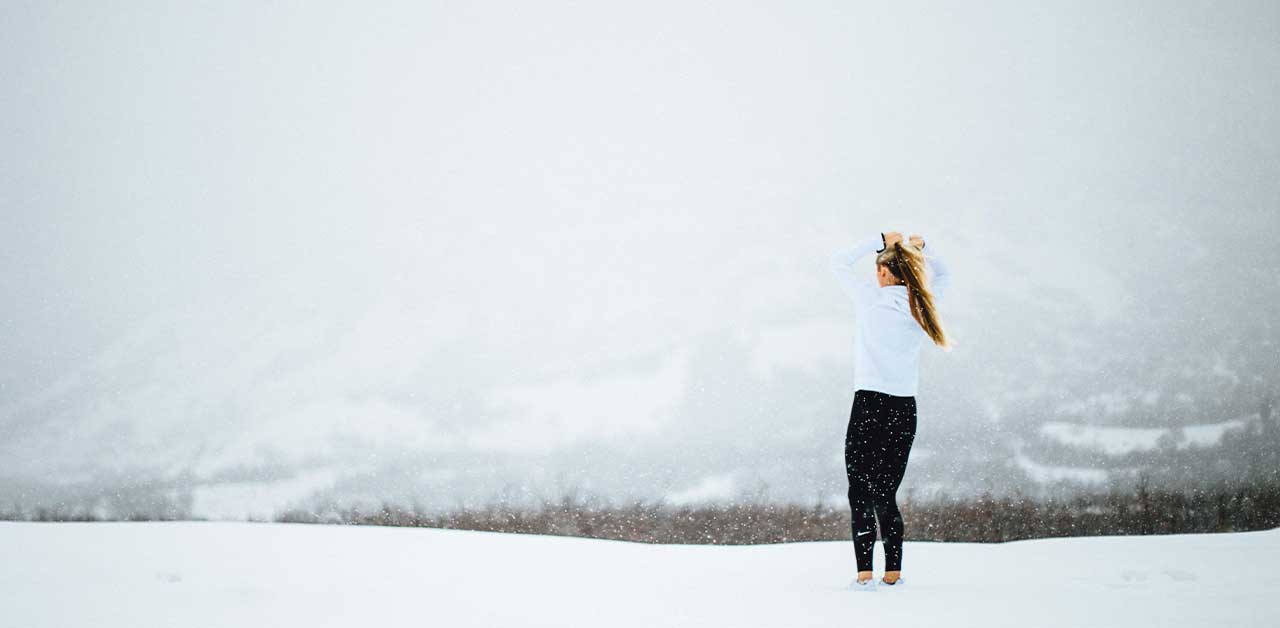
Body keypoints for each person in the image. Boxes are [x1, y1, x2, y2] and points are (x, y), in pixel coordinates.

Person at [829, 230, 951, 590]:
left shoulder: (870, 300)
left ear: (883, 274)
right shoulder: (921, 304)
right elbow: (946, 275)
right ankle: (893, 572)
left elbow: (836, 261)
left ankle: (865, 573)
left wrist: (878, 239)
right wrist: (922, 247)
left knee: (860, 491)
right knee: (885, 493)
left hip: (869, 404)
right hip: (903, 408)